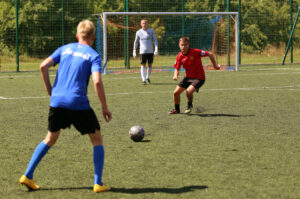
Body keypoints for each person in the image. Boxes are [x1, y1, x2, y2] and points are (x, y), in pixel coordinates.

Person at [19, 20, 112, 193]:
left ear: (77, 36)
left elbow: (43, 66)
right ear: (93, 37)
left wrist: (50, 90)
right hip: (78, 103)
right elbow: (97, 81)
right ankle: (98, 183)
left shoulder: (64, 48)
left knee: (50, 139)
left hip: (57, 102)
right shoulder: (93, 55)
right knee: (96, 138)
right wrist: (104, 107)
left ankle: (28, 175)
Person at [169, 36, 220, 114]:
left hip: (199, 78)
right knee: (176, 93)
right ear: (179, 45)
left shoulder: (195, 52)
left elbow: (210, 54)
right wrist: (175, 75)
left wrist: (215, 65)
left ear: (188, 45)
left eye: (185, 45)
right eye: (182, 45)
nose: (183, 47)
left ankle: (189, 105)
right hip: (188, 77)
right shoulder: (179, 56)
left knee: (188, 92)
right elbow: (177, 68)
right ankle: (177, 109)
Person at [133, 19, 158, 85]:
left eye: (145, 23)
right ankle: (143, 80)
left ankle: (147, 77)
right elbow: (136, 42)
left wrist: (156, 48)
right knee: (143, 64)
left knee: (150, 65)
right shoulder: (138, 32)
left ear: (148, 24)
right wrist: (134, 50)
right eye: (143, 23)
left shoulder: (151, 31)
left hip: (150, 51)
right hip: (142, 51)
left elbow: (155, 40)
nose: (144, 24)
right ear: (141, 24)